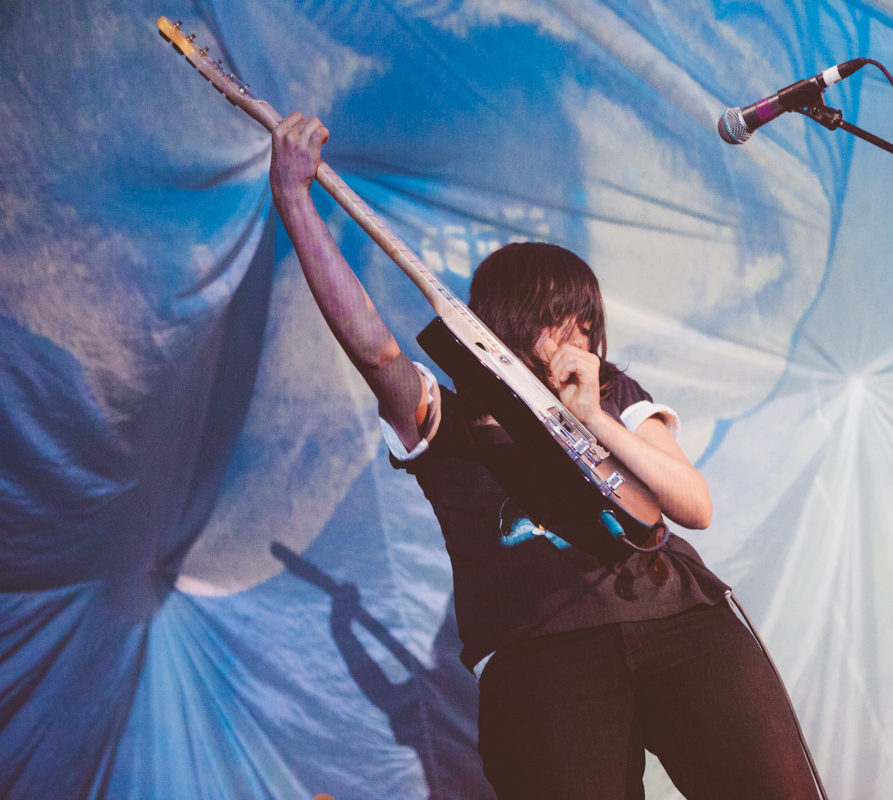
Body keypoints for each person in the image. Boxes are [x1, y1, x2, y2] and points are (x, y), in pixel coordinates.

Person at [270, 111, 820, 799]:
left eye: (588, 320)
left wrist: (596, 419)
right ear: (510, 318)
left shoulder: (613, 393)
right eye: (561, 315)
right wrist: (295, 201)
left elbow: (693, 506)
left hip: (684, 623)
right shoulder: (449, 422)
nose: (579, 334)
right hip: (541, 654)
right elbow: (376, 352)